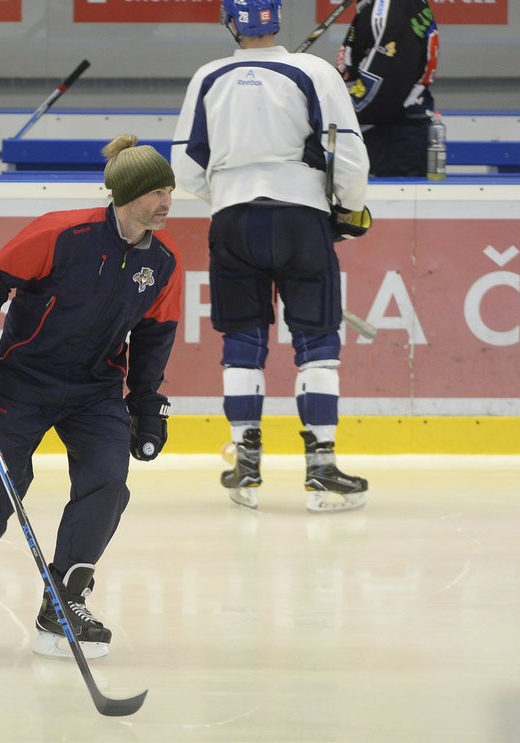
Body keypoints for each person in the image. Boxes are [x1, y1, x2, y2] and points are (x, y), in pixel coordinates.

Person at [0, 135, 181, 659]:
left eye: (170, 189)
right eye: (155, 191)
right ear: (126, 194)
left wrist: (146, 402)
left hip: (96, 389)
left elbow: (155, 334)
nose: (166, 201)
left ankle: (63, 601)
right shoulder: (63, 233)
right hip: (24, 381)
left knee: (107, 484)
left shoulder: (164, 264)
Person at [171, 0, 371, 514]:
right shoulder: (314, 71)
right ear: (279, 20)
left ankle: (247, 464)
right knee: (317, 343)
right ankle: (322, 470)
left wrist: (229, 193)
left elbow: (186, 164)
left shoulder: (208, 76)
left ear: (229, 23)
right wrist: (347, 209)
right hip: (302, 218)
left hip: (233, 220)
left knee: (242, 340)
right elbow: (347, 151)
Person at [336, 0, 439, 177]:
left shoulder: (386, 10)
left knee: (392, 203)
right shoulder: (388, 7)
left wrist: (332, 112)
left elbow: (383, 88)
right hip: (401, 128)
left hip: (390, 136)